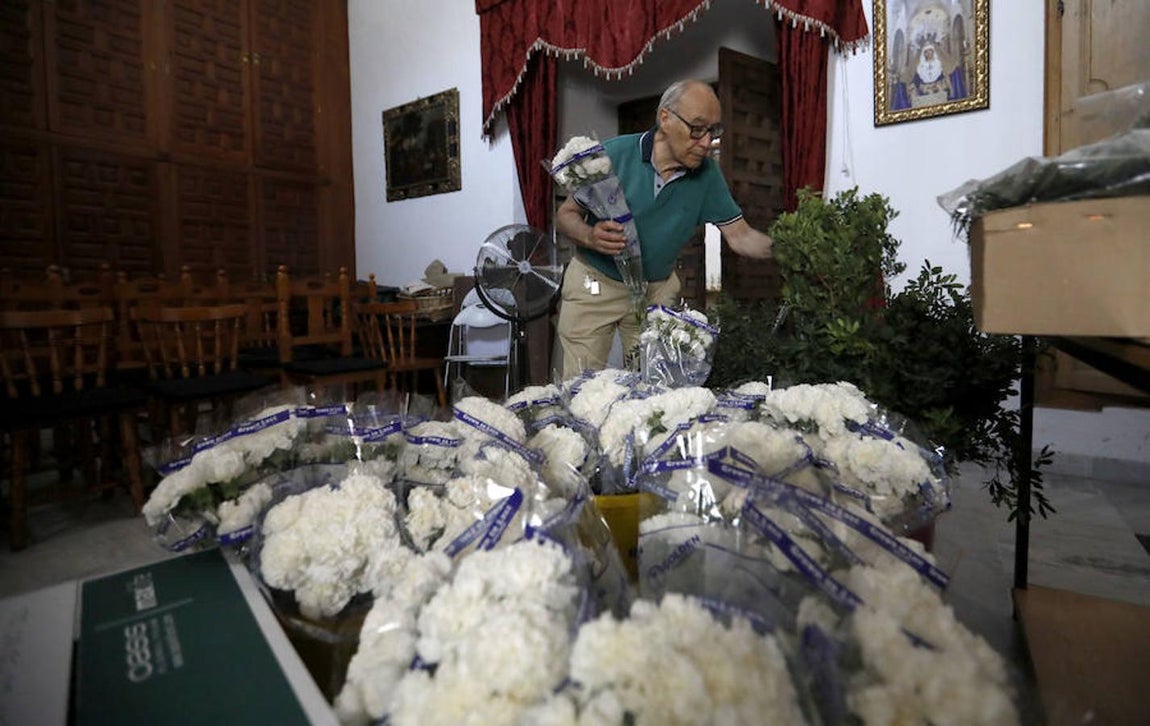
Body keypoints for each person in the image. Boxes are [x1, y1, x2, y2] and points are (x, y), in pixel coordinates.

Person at [553, 79, 774, 380]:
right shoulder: (614, 154)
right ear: (665, 119)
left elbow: (741, 235)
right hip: (596, 282)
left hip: (654, 291)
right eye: (697, 128)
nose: (707, 142)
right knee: (580, 385)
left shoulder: (708, 176)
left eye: (713, 130)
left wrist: (790, 249)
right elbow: (566, 216)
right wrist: (590, 236)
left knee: (655, 388)